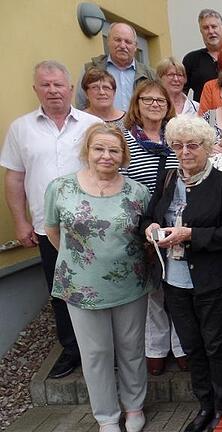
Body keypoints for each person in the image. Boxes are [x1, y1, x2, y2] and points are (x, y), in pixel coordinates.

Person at [44, 124, 150, 432]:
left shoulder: (136, 191)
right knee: (96, 353)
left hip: (130, 281)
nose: (106, 155)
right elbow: (53, 231)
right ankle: (106, 416)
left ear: (123, 155)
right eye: (99, 149)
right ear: (87, 152)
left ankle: (134, 407)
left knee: (131, 347)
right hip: (81, 286)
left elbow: (144, 233)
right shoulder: (61, 188)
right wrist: (82, 258)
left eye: (114, 150)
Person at [142, 114, 222, 432]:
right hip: (174, 279)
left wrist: (189, 235)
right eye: (178, 145)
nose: (185, 151)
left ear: (207, 147)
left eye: (193, 145)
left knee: (214, 345)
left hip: (213, 279)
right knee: (192, 345)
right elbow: (147, 217)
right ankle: (204, 405)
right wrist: (151, 228)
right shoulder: (168, 179)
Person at [2, 61, 102, 379]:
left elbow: (108, 167)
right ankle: (71, 349)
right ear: (36, 89)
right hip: (49, 228)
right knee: (61, 290)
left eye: (58, 84)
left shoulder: (91, 124)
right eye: (45, 84)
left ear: (70, 88)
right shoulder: (21, 128)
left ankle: (101, 349)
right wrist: (20, 222)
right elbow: (15, 178)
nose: (53, 90)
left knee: (97, 287)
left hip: (92, 227)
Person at [121, 80, 184, 375]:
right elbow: (120, 180)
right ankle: (156, 349)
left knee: (176, 287)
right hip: (139, 222)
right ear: (137, 103)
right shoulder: (126, 140)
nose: (155, 104)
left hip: (174, 221)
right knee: (153, 290)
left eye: (161, 100)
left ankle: (181, 346)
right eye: (148, 99)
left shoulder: (175, 137)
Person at [77, 23, 156, 111]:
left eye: (128, 42)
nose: (122, 46)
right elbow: (81, 106)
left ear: (135, 46)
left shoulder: (150, 75)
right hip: (101, 124)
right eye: (118, 40)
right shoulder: (90, 69)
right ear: (108, 41)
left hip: (139, 125)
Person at [183, 9, 222, 102]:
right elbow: (181, 91)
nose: (210, 31)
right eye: (206, 28)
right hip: (205, 114)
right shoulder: (191, 59)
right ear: (201, 31)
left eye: (214, 26)